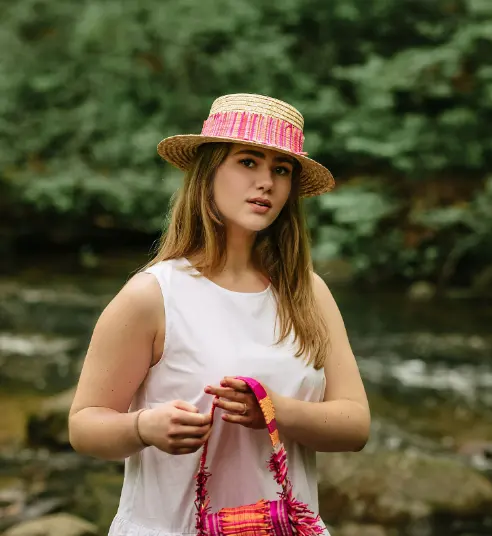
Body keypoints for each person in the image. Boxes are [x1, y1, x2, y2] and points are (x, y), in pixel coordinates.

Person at [68, 93, 370, 535]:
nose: (266, 181)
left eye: (280, 169)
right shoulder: (154, 294)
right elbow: (83, 424)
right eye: (248, 162)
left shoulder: (307, 293)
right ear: (208, 173)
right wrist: (143, 427)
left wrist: (274, 409)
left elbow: (355, 424)